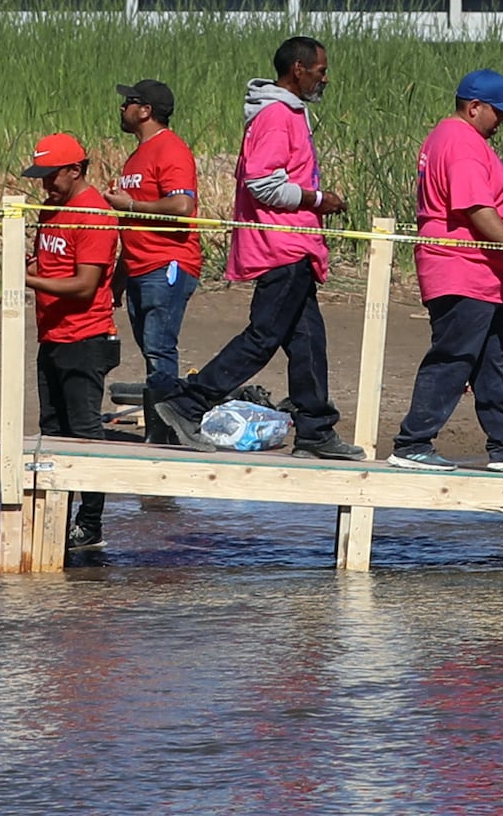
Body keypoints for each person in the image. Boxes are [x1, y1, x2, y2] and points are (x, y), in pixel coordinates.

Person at [159, 39, 339, 455]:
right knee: (263, 337)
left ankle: (316, 431)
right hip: (282, 245)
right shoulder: (277, 116)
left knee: (308, 342)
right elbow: (262, 183)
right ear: (298, 68)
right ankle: (189, 402)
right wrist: (317, 199)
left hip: (295, 245)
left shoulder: (288, 113)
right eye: (320, 70)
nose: (324, 78)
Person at [387, 72, 503, 472]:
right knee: (454, 357)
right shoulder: (462, 142)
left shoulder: (456, 139)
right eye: (497, 112)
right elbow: (475, 206)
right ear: (474, 108)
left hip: (481, 276)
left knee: (493, 361)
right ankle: (413, 442)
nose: (502, 121)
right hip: (461, 269)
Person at [22, 133, 120, 560]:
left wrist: (25, 279)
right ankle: (57, 517)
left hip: (87, 335)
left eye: (51, 176)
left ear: (75, 170)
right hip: (52, 335)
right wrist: (31, 266)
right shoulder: (50, 209)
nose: (45, 185)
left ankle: (91, 523)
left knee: (85, 434)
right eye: (41, 177)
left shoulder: (95, 213)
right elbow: (48, 262)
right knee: (52, 429)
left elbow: (84, 286)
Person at [109, 79, 205, 422]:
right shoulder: (136, 157)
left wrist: (131, 204)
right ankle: (165, 419)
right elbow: (130, 226)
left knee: (159, 348)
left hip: (167, 263)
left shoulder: (171, 149)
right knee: (152, 350)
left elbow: (182, 205)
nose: (122, 108)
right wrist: (118, 281)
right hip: (138, 267)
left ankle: (166, 426)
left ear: (146, 110)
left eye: (129, 102)